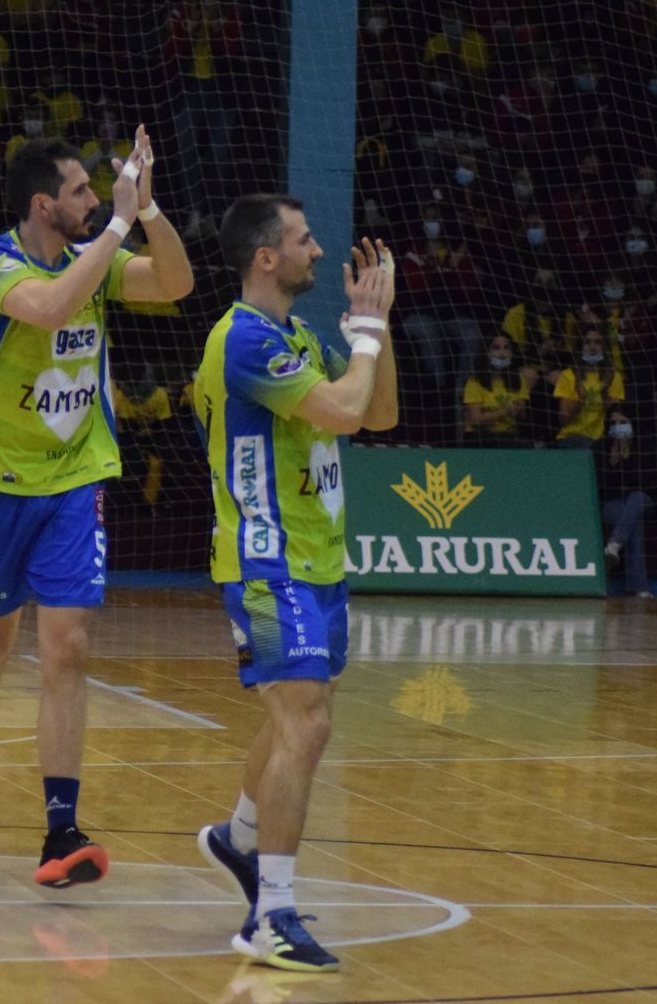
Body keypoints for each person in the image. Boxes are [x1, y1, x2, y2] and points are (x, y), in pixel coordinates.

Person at [0, 130, 194, 886]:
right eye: (80, 190)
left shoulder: (100, 257)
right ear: (42, 204)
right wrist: (117, 223)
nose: (92, 198)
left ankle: (61, 830)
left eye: (95, 188)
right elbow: (51, 307)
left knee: (68, 649)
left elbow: (175, 283)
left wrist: (146, 211)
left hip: (77, 480)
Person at [191, 199, 397, 972]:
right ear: (266, 258)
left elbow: (377, 413)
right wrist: (364, 334)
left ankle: (239, 837)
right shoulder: (245, 338)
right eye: (304, 240)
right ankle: (271, 914)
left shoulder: (297, 336)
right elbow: (343, 409)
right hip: (265, 563)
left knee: (298, 720)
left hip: (320, 561)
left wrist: (376, 327)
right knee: (305, 724)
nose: (318, 249)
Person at [598, 405, 657, 598]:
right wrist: (613, 462)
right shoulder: (600, 447)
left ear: (633, 424)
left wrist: (628, 459)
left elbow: (646, 485)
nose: (618, 426)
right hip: (613, 504)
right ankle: (638, 587)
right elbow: (602, 489)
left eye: (623, 422)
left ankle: (614, 543)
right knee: (633, 523)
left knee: (637, 498)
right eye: (614, 423)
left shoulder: (646, 445)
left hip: (643, 501)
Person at [554, 327, 623, 448]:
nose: (592, 347)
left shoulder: (614, 377)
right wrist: (581, 399)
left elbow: (615, 415)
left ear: (604, 348)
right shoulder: (568, 375)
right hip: (570, 437)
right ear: (581, 347)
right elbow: (564, 420)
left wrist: (604, 389)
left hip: (598, 441)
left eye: (597, 342)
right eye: (587, 342)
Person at [462, 334, 535, 446]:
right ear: (487, 352)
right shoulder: (474, 381)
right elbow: (475, 420)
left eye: (506, 348)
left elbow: (522, 419)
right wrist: (504, 412)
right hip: (480, 437)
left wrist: (519, 410)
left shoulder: (519, 379)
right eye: (496, 348)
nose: (502, 353)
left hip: (509, 435)